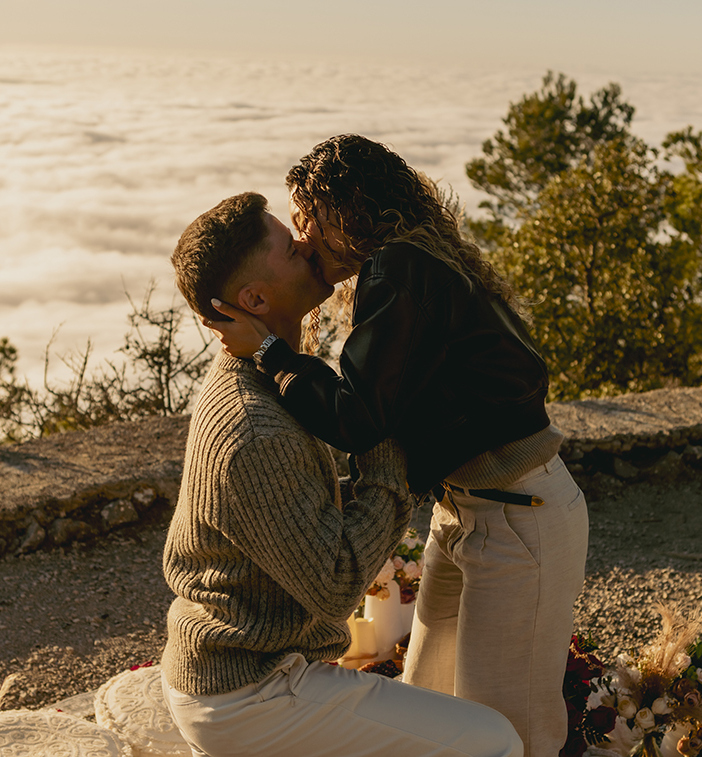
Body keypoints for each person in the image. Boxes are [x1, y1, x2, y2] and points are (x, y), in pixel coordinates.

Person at [208, 135, 589, 757]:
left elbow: (357, 418)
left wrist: (271, 353)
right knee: (428, 707)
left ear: (344, 211)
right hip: (471, 512)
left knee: (512, 732)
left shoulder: (401, 269)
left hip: (519, 515)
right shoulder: (416, 260)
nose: (303, 237)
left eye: (307, 215)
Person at [162, 190, 522, 757]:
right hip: (249, 692)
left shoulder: (268, 375)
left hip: (241, 670)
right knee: (494, 742)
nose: (308, 243)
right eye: (288, 245)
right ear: (255, 297)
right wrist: (383, 435)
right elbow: (335, 586)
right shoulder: (253, 428)